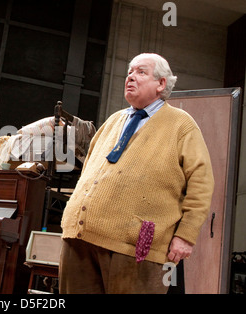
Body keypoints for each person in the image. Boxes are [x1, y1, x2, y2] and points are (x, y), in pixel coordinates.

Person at [59, 53, 215, 294]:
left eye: (141, 72)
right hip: (80, 239)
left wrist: (186, 235)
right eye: (129, 72)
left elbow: (201, 183)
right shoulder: (113, 121)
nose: (130, 77)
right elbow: (88, 169)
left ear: (161, 84)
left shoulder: (181, 125)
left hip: (134, 245)